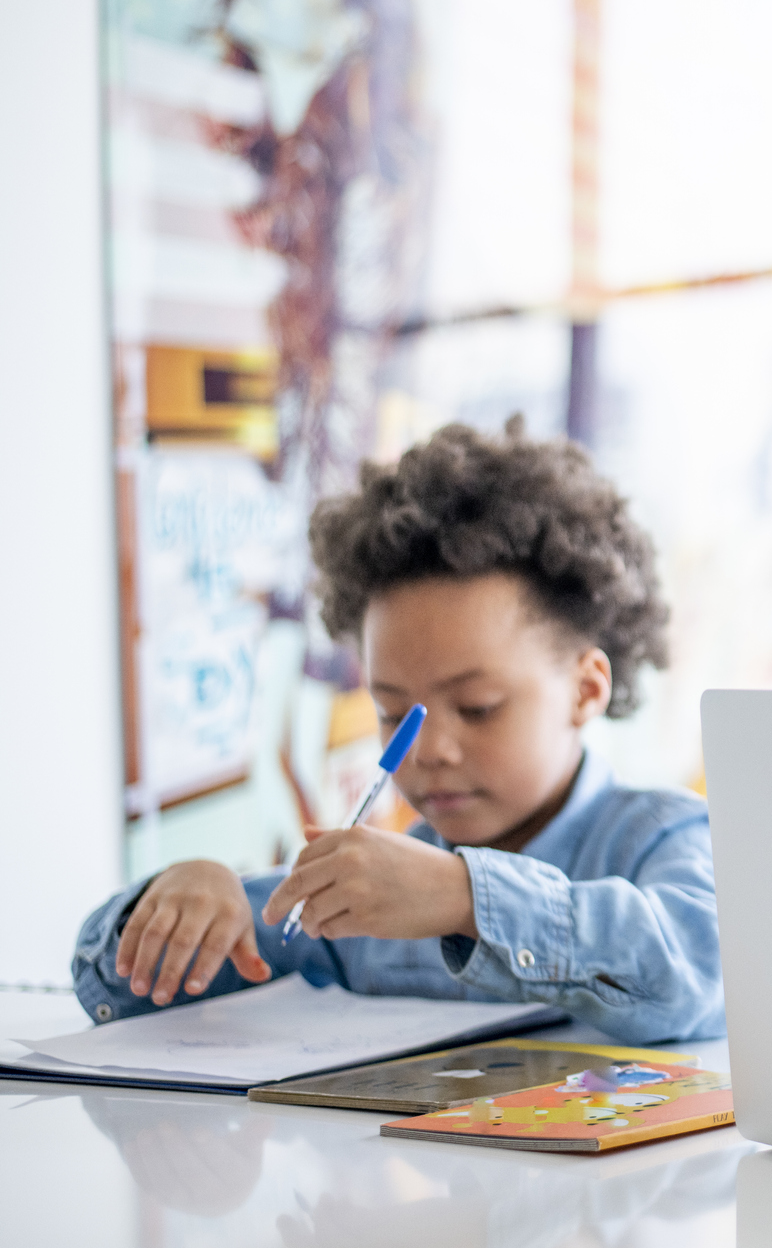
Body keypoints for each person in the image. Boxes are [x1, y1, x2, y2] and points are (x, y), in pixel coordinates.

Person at [74, 419, 722, 1045]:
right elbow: (131, 994)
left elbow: (701, 973)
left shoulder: (665, 837)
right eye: (392, 712)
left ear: (585, 690)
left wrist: (467, 899)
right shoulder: (365, 897)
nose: (431, 750)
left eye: (477, 707)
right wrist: (173, 908)